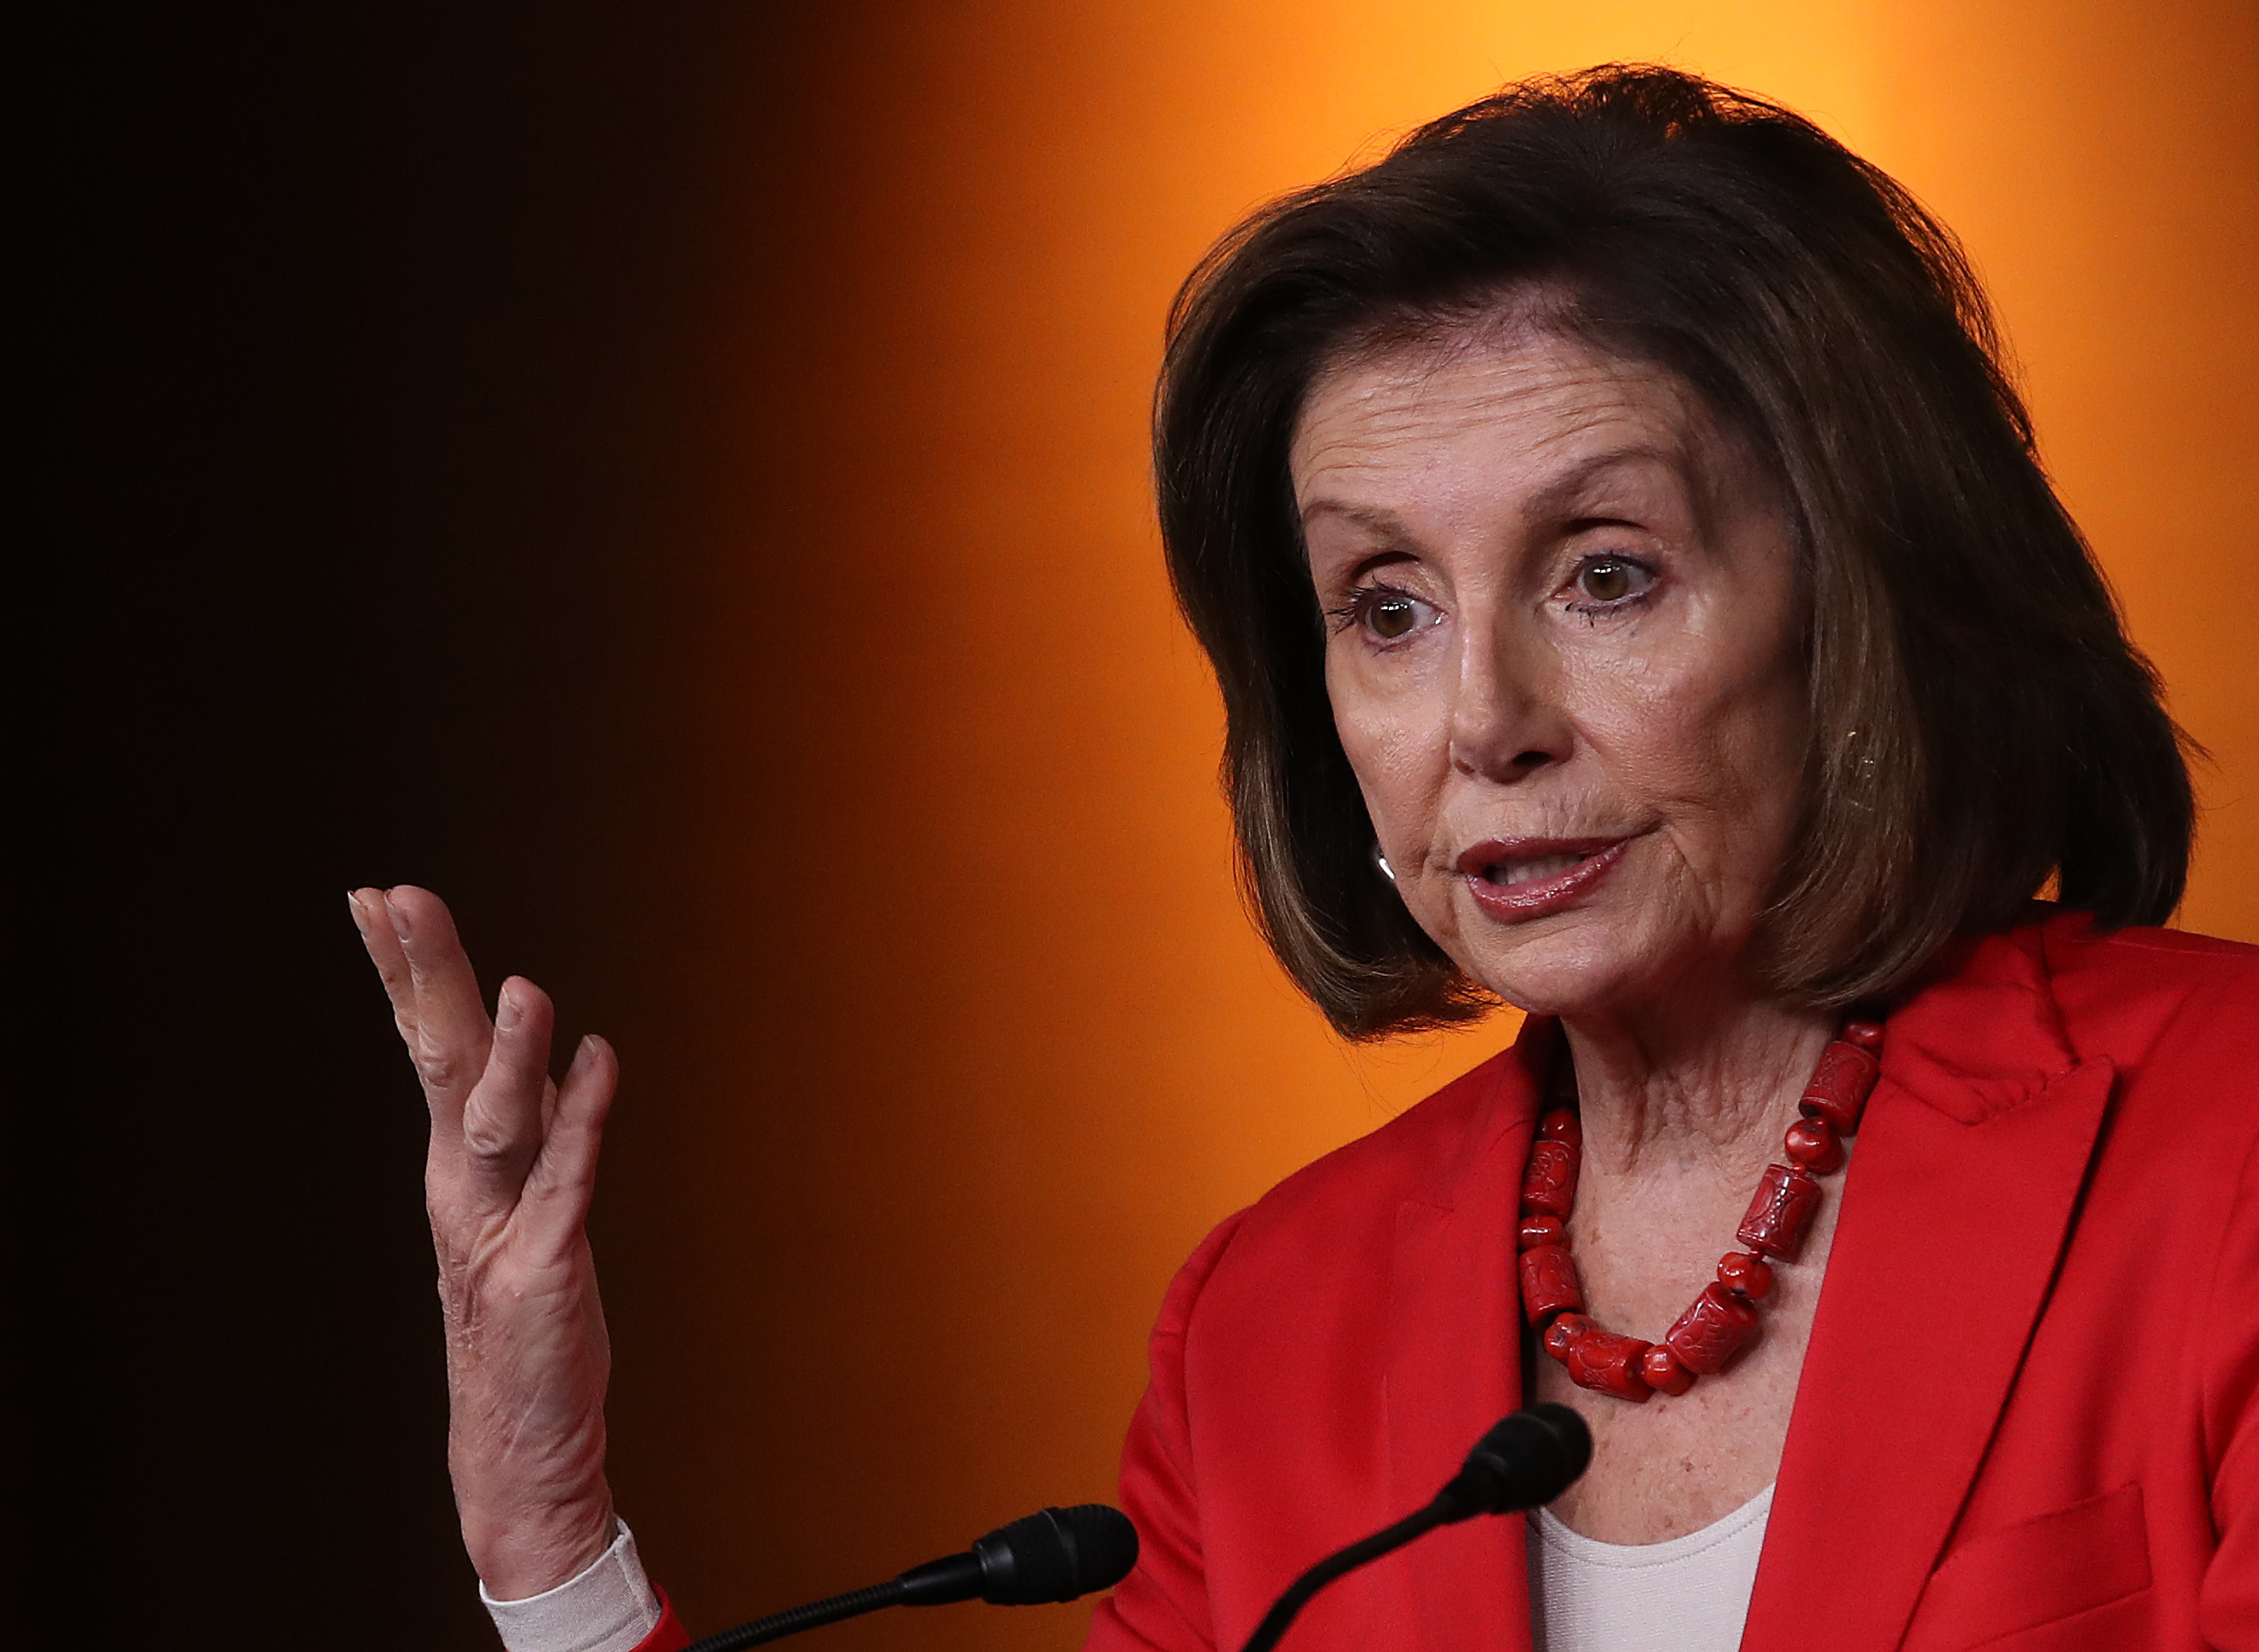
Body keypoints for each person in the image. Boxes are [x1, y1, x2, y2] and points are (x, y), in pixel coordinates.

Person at [351, 67, 2259, 1652]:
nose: (1479, 720)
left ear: (1868, 607)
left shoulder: (2219, 1145)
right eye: (1384, 606)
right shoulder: (1271, 1334)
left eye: (1605, 575)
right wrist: (554, 1541)